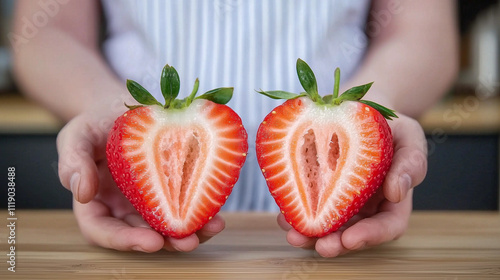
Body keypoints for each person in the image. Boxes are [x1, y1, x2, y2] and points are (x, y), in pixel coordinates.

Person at [11, 0, 458, 257]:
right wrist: (104, 113)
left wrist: (376, 119)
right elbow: (46, 28)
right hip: (129, 185)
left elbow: (421, 30)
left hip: (346, 202)